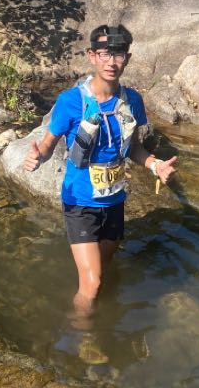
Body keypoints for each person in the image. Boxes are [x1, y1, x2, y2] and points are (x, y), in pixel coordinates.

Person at [23, 23, 176, 317]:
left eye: (118, 54)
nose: (112, 62)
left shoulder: (132, 100)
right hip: (80, 201)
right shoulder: (71, 101)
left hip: (115, 201)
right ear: (92, 56)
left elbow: (132, 148)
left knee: (103, 272)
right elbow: (48, 143)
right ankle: (82, 340)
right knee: (92, 284)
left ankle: (99, 315)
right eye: (105, 54)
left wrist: (154, 164)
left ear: (127, 59)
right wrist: (37, 158)